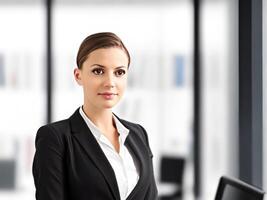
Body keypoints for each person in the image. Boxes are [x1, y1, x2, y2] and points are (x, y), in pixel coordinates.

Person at [32, 32, 158, 200]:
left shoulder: (138, 134)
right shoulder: (55, 138)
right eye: (98, 71)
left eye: (119, 72)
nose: (110, 82)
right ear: (78, 76)